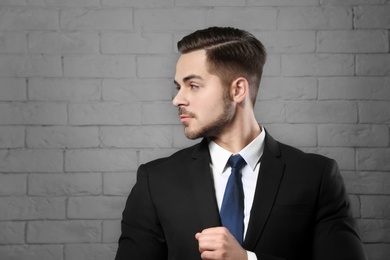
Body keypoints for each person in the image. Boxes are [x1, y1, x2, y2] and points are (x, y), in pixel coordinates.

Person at [115, 27, 367, 260]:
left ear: (237, 90)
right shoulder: (156, 181)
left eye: (193, 85)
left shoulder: (315, 176)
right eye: (178, 87)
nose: (178, 99)